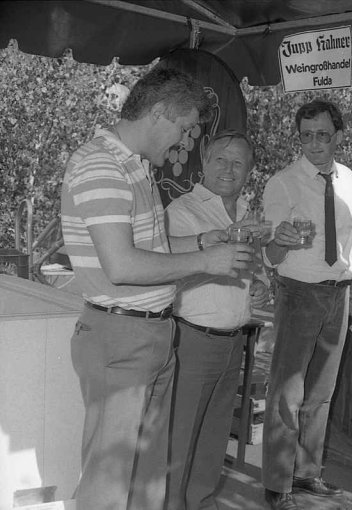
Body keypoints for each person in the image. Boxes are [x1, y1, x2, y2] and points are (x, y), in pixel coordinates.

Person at [60, 67, 256, 510]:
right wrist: (206, 261)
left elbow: (153, 249)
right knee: (109, 485)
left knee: (148, 481)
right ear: (160, 112)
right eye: (184, 129)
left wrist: (204, 242)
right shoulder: (102, 165)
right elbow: (122, 265)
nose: (185, 143)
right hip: (121, 338)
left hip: (150, 335)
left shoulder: (137, 167)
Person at [260, 98, 352, 510]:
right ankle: (277, 483)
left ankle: (306, 473)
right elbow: (270, 255)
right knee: (287, 392)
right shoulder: (282, 183)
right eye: (306, 136)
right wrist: (279, 240)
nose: (315, 143)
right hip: (299, 293)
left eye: (322, 134)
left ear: (338, 135)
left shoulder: (348, 179)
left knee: (322, 392)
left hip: (339, 293)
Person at [165, 130, 271, 510]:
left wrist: (260, 287)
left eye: (238, 162)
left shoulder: (245, 214)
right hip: (192, 339)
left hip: (233, 341)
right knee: (179, 438)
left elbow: (252, 271)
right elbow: (170, 271)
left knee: (213, 439)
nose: (229, 169)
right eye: (221, 160)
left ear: (249, 171)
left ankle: (201, 502)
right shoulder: (182, 211)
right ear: (204, 163)